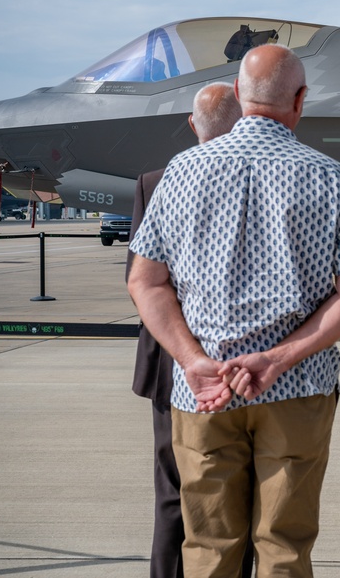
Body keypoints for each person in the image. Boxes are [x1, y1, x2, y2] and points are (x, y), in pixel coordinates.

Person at [127, 44, 340, 577]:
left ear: (238, 95)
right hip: (298, 389)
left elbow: (145, 281)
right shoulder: (331, 177)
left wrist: (191, 360)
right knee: (284, 548)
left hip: (204, 392)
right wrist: (281, 358)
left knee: (209, 547)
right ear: (301, 100)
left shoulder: (182, 171)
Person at [126, 82, 249, 578]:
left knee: (173, 496)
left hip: (171, 362)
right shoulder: (260, 177)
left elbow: (140, 281)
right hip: (243, 364)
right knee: (239, 497)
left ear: (194, 125)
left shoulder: (156, 181)